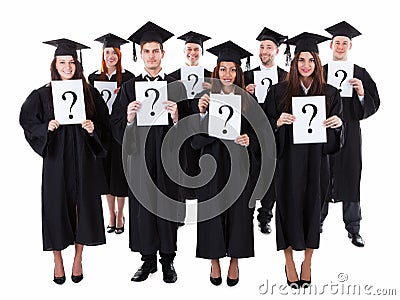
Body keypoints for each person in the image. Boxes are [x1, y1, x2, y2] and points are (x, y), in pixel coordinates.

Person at [19, 38, 110, 284]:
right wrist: (44, 127)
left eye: (71, 62)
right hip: (56, 159)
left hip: (83, 158)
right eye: (62, 62)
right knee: (55, 208)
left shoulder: (89, 93)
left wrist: (93, 129)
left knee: (83, 208)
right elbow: (27, 122)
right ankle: (57, 260)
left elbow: (105, 125)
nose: (67, 67)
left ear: (77, 66)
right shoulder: (42, 94)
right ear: (55, 65)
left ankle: (78, 258)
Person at [264, 32, 344, 288]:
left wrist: (338, 124)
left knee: (313, 208)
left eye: (311, 60)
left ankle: (307, 261)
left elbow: (336, 138)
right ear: (294, 62)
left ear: (317, 63)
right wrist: (277, 122)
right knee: (285, 208)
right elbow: (264, 130)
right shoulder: (278, 91)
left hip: (316, 162)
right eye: (301, 60)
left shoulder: (330, 93)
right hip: (287, 162)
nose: (306, 65)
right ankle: (288, 260)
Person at [109, 21, 187, 283]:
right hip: (140, 158)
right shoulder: (130, 87)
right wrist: (129, 118)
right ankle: (147, 260)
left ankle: (168, 261)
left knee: (165, 207)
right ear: (140, 54)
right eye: (147, 52)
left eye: (156, 51)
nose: (152, 56)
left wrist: (178, 116)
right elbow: (115, 124)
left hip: (167, 159)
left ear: (163, 54)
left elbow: (191, 128)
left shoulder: (176, 86)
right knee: (143, 210)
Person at [192, 40, 258, 287]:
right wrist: (201, 115)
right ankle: (214, 260)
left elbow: (262, 139)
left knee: (240, 213)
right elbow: (193, 143)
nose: (227, 75)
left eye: (232, 69)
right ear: (216, 72)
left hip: (239, 164)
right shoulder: (205, 99)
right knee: (212, 212)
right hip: (211, 164)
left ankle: (234, 261)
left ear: (238, 72)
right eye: (223, 69)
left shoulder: (249, 102)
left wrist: (249, 139)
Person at [320, 21, 380, 247]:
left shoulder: (360, 73)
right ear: (331, 45)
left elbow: (374, 104)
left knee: (351, 174)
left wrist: (362, 93)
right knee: (321, 174)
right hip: (324, 130)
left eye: (345, 43)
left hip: (351, 133)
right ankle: (316, 222)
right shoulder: (321, 71)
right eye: (337, 43)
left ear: (350, 47)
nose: (341, 46)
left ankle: (353, 227)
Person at [88, 33, 135, 235]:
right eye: (107, 52)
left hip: (119, 131)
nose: (111, 56)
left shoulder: (128, 78)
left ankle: (122, 212)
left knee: (119, 174)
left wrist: (122, 96)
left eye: (114, 52)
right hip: (100, 131)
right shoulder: (92, 78)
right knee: (105, 173)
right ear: (102, 55)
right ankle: (111, 214)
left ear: (119, 55)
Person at [244, 27, 288, 234]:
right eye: (261, 46)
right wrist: (244, 93)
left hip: (276, 133)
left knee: (272, 175)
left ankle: (265, 216)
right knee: (251, 173)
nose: (264, 51)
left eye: (269, 47)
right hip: (251, 132)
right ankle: (247, 214)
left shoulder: (286, 78)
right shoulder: (247, 76)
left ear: (277, 51)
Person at [168, 31, 212, 222]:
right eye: (189, 49)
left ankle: (206, 212)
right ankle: (179, 215)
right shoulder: (172, 77)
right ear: (183, 51)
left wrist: (213, 88)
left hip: (203, 131)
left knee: (206, 168)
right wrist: (174, 89)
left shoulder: (211, 76)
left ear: (201, 52)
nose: (192, 53)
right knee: (180, 170)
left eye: (196, 49)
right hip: (181, 131)